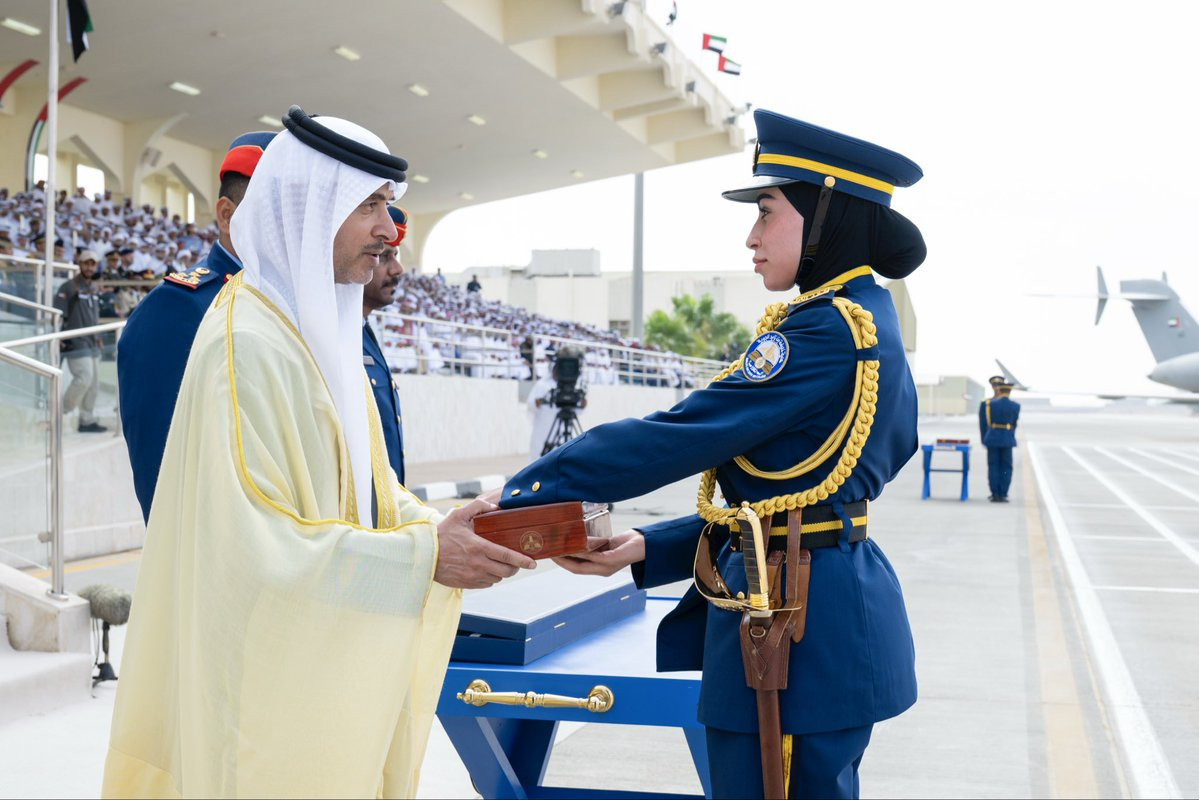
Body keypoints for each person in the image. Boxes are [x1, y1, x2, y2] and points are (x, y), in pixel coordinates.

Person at [101, 107, 535, 799]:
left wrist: (451, 529)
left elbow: (371, 491)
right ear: (310, 209)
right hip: (266, 685)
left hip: (325, 659)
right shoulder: (246, 342)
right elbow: (254, 546)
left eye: (387, 206)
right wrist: (425, 558)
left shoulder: (315, 333)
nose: (389, 230)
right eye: (368, 206)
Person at [494, 109, 927, 800]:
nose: (751, 237)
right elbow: (804, 496)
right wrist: (649, 546)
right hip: (814, 600)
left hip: (794, 625)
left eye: (767, 211)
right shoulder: (867, 318)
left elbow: (683, 433)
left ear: (826, 216)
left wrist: (523, 495)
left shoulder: (824, 331)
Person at [117, 131, 276, 523]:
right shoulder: (180, 307)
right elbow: (162, 466)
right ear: (227, 216)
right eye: (276, 213)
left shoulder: (285, 302)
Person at [362, 205, 409, 485]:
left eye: (396, 256)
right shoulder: (335, 334)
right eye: (384, 256)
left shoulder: (363, 331)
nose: (398, 269)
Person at [54, 249, 107, 433]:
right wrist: (58, 336)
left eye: (93, 264)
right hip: (75, 341)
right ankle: (60, 412)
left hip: (93, 341)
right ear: (79, 264)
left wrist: (98, 337)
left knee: (94, 384)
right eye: (86, 263)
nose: (89, 267)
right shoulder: (68, 287)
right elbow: (57, 314)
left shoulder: (94, 287)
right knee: (84, 378)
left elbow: (94, 314)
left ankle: (86, 420)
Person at [979, 376, 1020, 502]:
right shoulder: (1013, 405)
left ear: (1001, 388)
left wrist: (986, 439)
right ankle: (1002, 493)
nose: (996, 387)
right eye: (994, 385)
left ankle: (996, 493)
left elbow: (987, 424)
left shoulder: (990, 404)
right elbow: (1013, 424)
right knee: (1006, 467)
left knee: (993, 466)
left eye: (998, 385)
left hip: (992, 438)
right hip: (1006, 438)